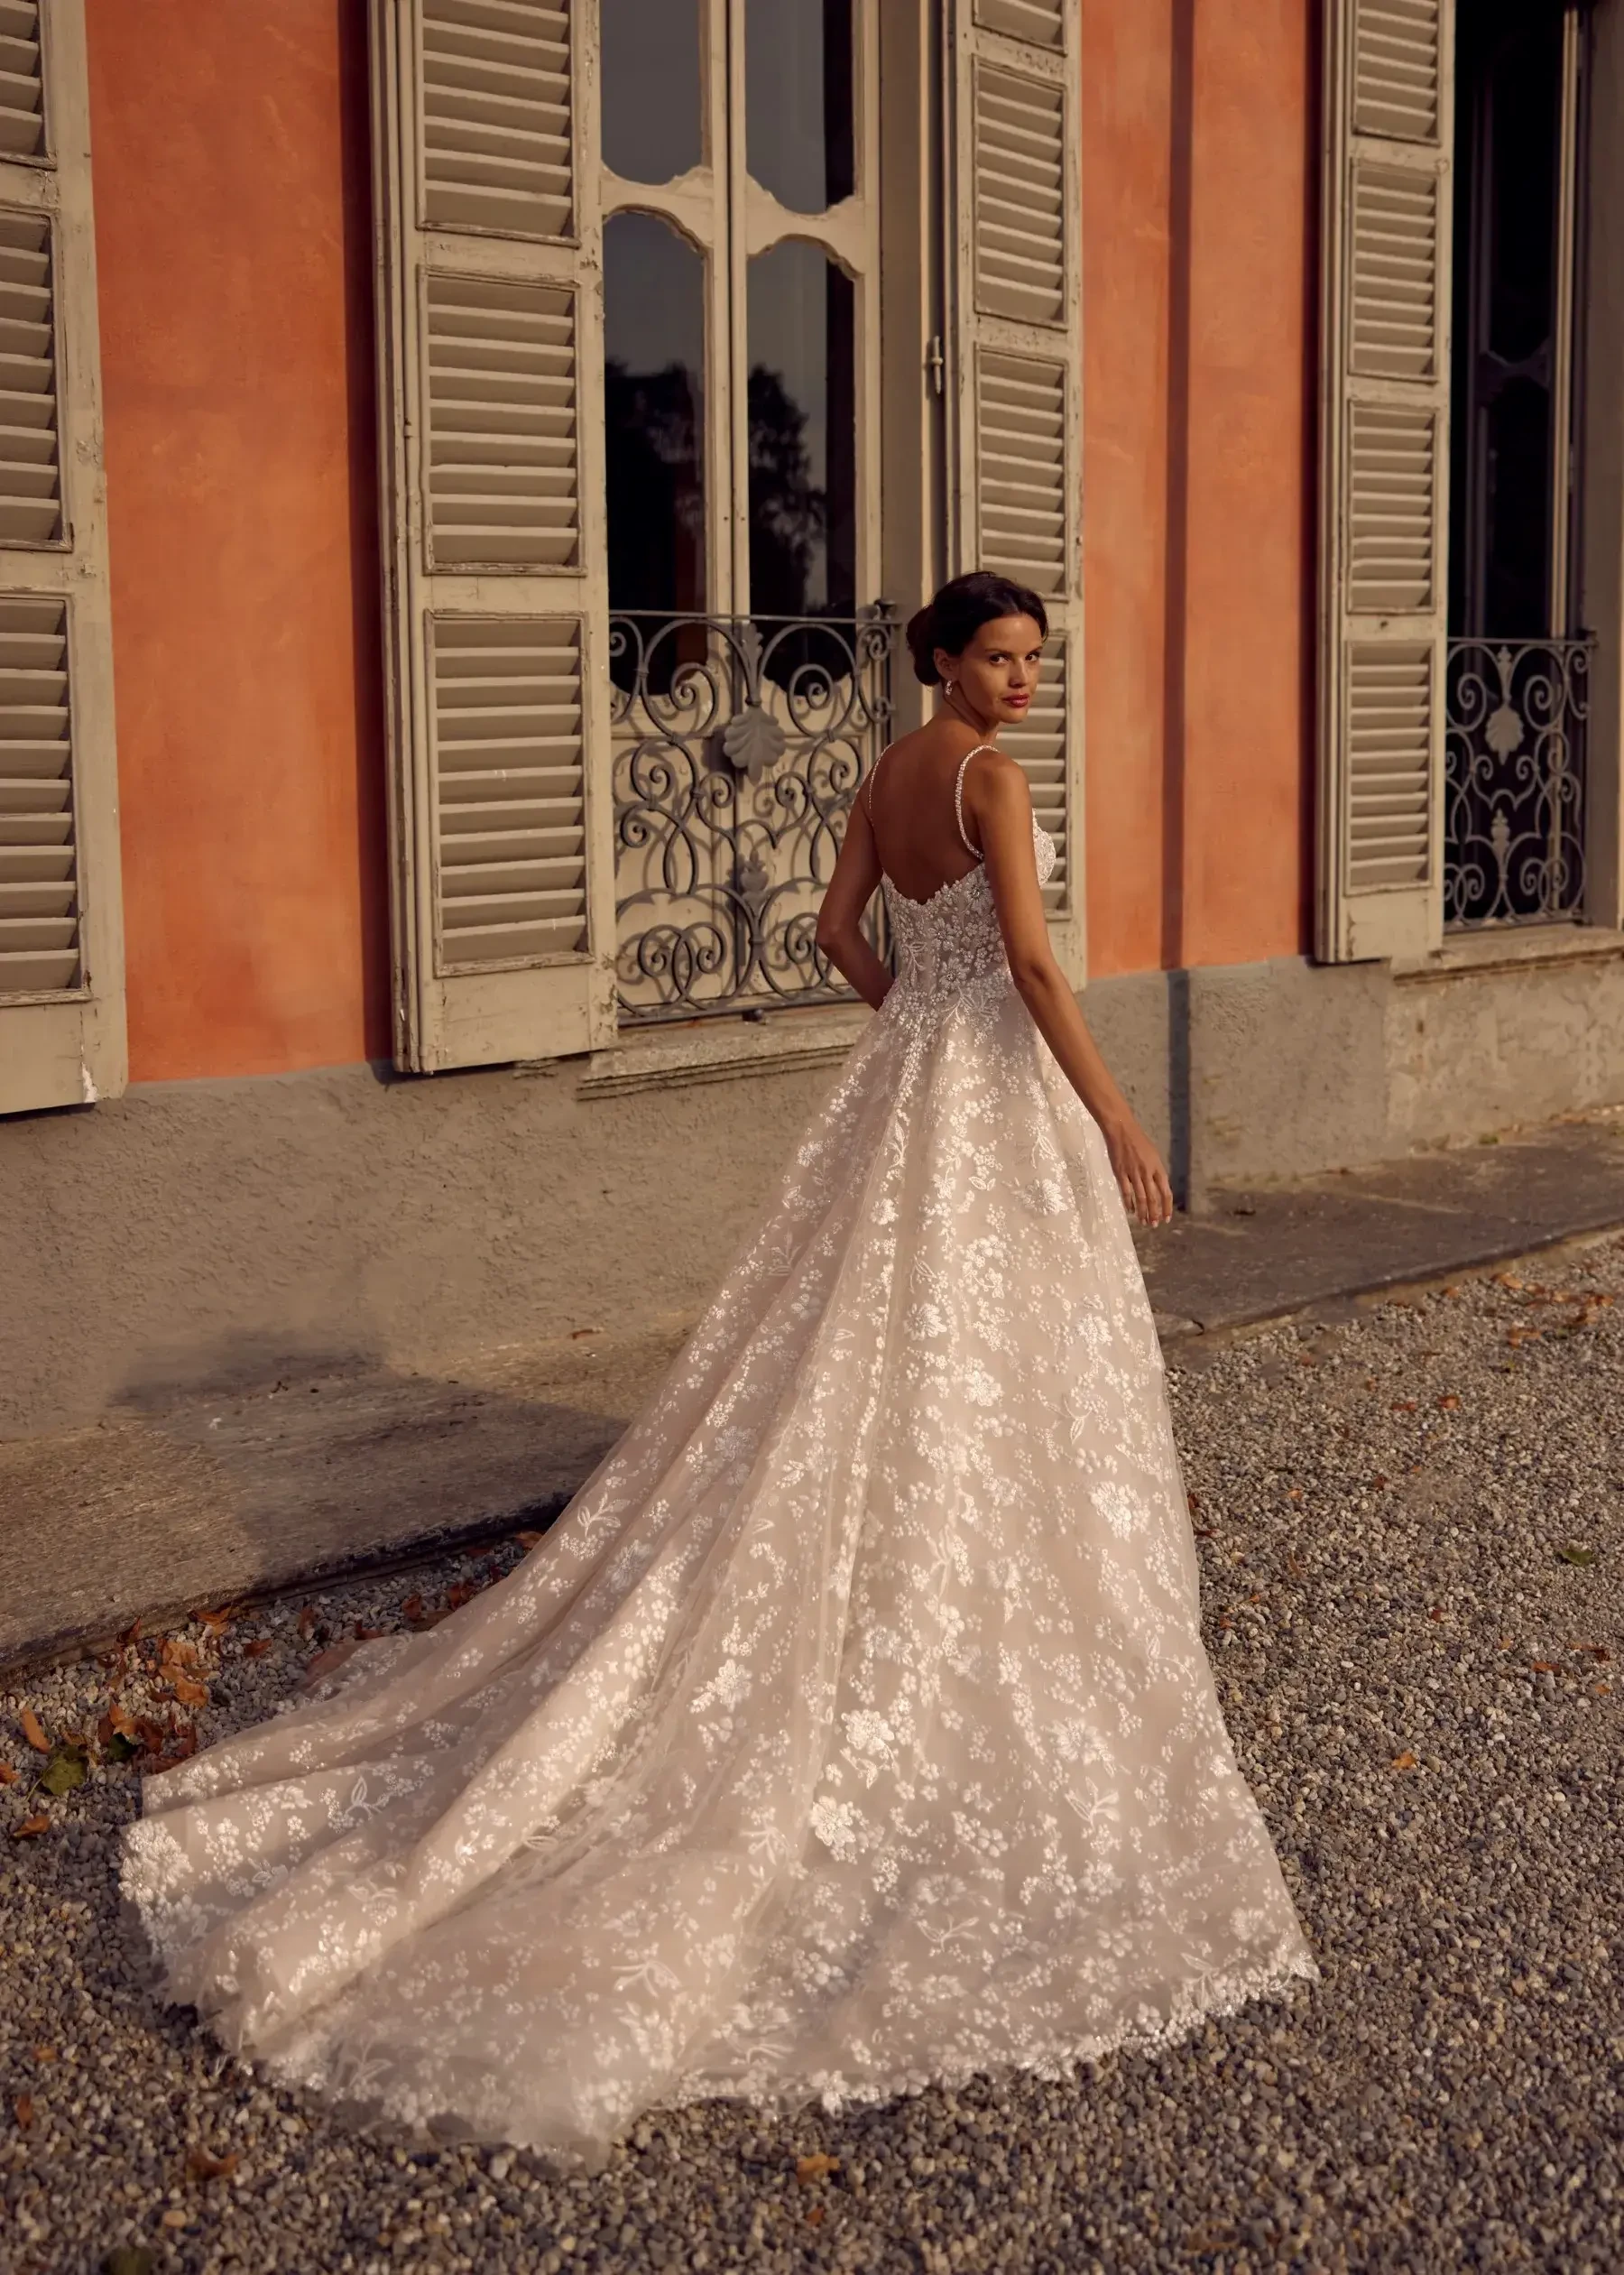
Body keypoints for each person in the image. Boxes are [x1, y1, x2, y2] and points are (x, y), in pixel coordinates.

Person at [121, 570, 1317, 2174]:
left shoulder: (885, 773)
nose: (1025, 681)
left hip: (910, 1083)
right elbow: (1035, 970)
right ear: (943, 660)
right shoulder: (991, 779)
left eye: (1037, 660)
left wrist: (916, 1021)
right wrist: (1112, 1115)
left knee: (865, 1342)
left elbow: (833, 935)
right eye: (999, 658)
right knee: (984, 1347)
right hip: (996, 1086)